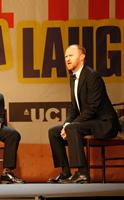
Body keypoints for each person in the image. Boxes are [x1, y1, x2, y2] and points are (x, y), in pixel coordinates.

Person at [47, 44, 121, 184]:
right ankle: (65, 171)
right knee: (54, 132)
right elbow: (73, 107)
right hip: (88, 122)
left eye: (71, 55)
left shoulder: (92, 76)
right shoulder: (74, 77)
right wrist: (67, 124)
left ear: (82, 57)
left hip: (105, 123)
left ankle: (82, 173)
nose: (67, 59)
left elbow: (93, 107)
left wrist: (72, 125)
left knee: (72, 128)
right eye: (66, 56)